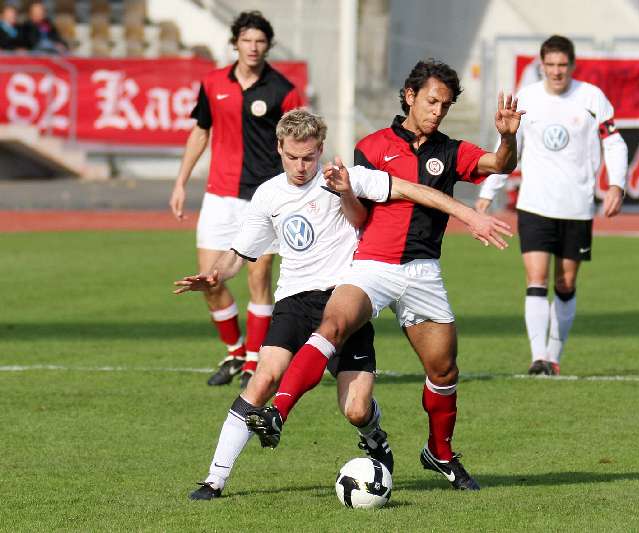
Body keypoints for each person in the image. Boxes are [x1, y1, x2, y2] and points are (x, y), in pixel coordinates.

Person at [174, 109, 512, 500]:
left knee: (355, 408)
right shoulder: (267, 195)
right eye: (293, 157)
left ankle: (374, 438)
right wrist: (215, 274)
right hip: (294, 301)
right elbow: (238, 254)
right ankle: (214, 480)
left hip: (344, 298)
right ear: (279, 148)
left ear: (320, 150)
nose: (301, 166)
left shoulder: (344, 176)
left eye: (309, 157)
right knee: (263, 377)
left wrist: (349, 191)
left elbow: (400, 196)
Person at [243, 59, 523, 491]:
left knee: (444, 370)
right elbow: (354, 208)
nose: (438, 111)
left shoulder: (451, 151)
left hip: (423, 271)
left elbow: (500, 165)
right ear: (410, 96)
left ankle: (440, 452)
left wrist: (507, 137)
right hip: (372, 264)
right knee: (332, 324)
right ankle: (278, 411)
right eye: (432, 101)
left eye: (445, 105)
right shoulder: (372, 146)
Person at [475, 35, 628, 376]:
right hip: (534, 205)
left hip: (576, 207)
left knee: (566, 284)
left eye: (563, 65)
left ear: (572, 66)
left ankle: (554, 357)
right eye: (551, 65)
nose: (557, 72)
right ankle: (538, 358)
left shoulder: (592, 98)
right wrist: (487, 194)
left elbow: (614, 143)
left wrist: (616, 183)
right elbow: (508, 149)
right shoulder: (527, 99)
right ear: (541, 65)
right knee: (536, 279)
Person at [169, 11, 304, 388]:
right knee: (208, 280)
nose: (253, 47)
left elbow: (299, 142)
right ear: (235, 44)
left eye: (260, 41)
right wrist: (181, 182)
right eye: (247, 40)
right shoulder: (213, 83)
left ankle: (253, 362)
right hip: (218, 196)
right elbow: (200, 132)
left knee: (259, 279)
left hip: (264, 198)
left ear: (268, 46)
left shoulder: (283, 89)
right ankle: (234, 351)